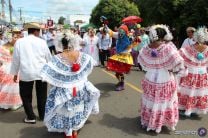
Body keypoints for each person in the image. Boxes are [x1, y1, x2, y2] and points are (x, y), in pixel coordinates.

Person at [40, 34, 100, 138]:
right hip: (79, 88)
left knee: (66, 111)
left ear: (61, 45)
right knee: (77, 109)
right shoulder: (83, 56)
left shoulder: (57, 58)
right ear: (73, 43)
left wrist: (59, 81)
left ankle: (68, 132)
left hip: (64, 90)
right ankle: (74, 130)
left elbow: (47, 73)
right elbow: (90, 63)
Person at [137, 25, 187, 133]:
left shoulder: (146, 47)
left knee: (150, 99)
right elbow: (179, 63)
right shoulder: (167, 47)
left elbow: (141, 60)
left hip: (150, 76)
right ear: (163, 35)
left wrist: (152, 65)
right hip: (164, 77)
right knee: (162, 101)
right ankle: (158, 123)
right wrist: (172, 70)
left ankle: (148, 121)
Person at [10, 22, 52, 124]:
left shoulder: (20, 42)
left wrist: (15, 73)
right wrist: (51, 72)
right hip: (41, 72)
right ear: (36, 31)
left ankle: (31, 116)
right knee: (42, 95)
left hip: (26, 72)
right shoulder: (42, 42)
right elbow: (48, 58)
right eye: (39, 31)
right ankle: (42, 115)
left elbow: (16, 59)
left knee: (26, 95)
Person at [178, 27, 208, 116]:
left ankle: (187, 108)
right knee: (199, 92)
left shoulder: (189, 48)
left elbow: (179, 56)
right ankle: (196, 109)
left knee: (190, 91)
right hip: (203, 73)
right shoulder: (207, 48)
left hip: (191, 73)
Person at [107, 25, 139, 91]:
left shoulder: (129, 36)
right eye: (120, 30)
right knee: (117, 72)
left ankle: (122, 84)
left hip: (125, 56)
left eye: (122, 30)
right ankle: (120, 82)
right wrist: (106, 26)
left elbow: (136, 41)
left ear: (125, 31)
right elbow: (111, 32)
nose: (120, 32)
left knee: (120, 71)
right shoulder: (118, 35)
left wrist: (133, 40)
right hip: (118, 55)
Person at [0, 30, 22, 110]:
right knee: (9, 86)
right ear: (10, 38)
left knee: (13, 86)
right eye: (15, 37)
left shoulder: (15, 46)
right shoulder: (4, 47)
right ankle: (8, 103)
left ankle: (13, 103)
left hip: (8, 67)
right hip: (8, 68)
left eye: (17, 37)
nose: (16, 38)